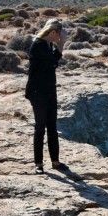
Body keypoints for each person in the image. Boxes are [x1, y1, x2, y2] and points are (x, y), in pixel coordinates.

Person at [25, 18, 67, 173]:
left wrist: (59, 45)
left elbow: (53, 61)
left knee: (52, 126)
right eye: (60, 34)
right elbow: (52, 61)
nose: (60, 37)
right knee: (40, 126)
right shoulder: (37, 45)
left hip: (49, 90)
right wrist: (61, 44)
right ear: (54, 32)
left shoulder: (47, 45)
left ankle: (55, 161)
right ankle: (38, 164)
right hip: (38, 92)